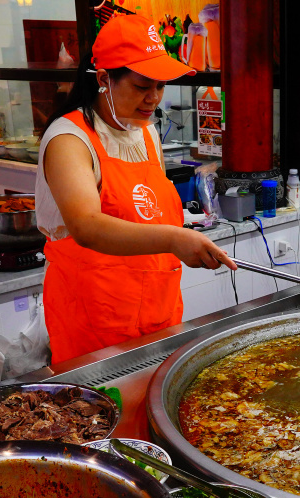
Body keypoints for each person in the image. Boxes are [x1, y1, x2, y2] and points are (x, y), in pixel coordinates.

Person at [37, 14, 235, 363]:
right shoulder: (70, 139)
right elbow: (87, 226)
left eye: (160, 86)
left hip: (158, 311)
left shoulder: (145, 132)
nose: (154, 98)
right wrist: (174, 239)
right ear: (103, 79)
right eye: (142, 87)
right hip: (94, 321)